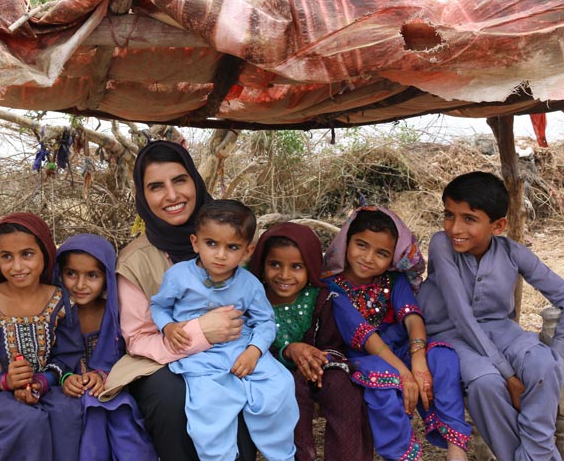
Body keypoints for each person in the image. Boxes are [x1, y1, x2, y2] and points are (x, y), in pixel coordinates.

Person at [417, 171, 564, 461]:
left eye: (469, 218)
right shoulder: (441, 244)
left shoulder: (513, 252)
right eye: (449, 215)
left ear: (499, 225)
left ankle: (536, 453)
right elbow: (460, 314)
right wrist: (509, 375)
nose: (455, 228)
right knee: (485, 382)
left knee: (543, 362)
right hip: (450, 335)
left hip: (501, 331)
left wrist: (557, 355)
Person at [112, 140, 256, 461]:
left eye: (179, 180)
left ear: (195, 180)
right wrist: (201, 333)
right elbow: (139, 338)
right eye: (156, 187)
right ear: (143, 195)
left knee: (238, 386)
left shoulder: (229, 236)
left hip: (230, 350)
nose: (172, 195)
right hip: (159, 362)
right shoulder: (135, 260)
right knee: (172, 397)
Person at [150, 199, 298, 461]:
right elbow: (159, 307)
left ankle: (281, 454)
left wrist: (254, 351)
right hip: (200, 356)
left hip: (241, 348)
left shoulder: (250, 284)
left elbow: (265, 322)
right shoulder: (179, 276)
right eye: (211, 244)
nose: (220, 255)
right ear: (195, 242)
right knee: (209, 405)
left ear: (247, 251)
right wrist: (169, 326)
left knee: (281, 385)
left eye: (232, 247)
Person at [322, 207, 471, 461]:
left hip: (401, 349)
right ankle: (403, 455)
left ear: (393, 257)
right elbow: (365, 337)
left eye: (382, 253)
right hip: (362, 356)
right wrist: (405, 374)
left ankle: (456, 449)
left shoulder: (393, 279)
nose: (368, 258)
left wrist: (418, 361)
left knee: (443, 357)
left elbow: (412, 317)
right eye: (361, 245)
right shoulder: (333, 288)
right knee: (384, 379)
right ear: (346, 241)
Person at [0, 212, 82, 461]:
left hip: (49, 389)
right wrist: (6, 381)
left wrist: (39, 383)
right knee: (27, 422)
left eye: (27, 254)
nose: (17, 266)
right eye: (7, 256)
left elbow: (67, 358)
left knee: (69, 414)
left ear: (45, 254)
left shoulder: (60, 301)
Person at [248, 221, 373, 461]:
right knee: (289, 387)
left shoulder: (321, 298)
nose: (284, 275)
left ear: (311, 266)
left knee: (341, 386)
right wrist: (288, 351)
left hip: (320, 367)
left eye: (297, 266)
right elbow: (246, 343)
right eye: (275, 264)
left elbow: (333, 344)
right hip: (269, 371)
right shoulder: (252, 299)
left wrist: (315, 360)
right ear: (262, 264)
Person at [55, 233, 157, 461]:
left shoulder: (117, 313)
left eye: (92, 275)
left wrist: (103, 376)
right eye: (71, 273)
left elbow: (127, 356)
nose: (80, 284)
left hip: (113, 387)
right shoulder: (55, 314)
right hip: (65, 391)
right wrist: (66, 378)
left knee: (120, 411)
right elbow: (50, 358)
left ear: (107, 277)